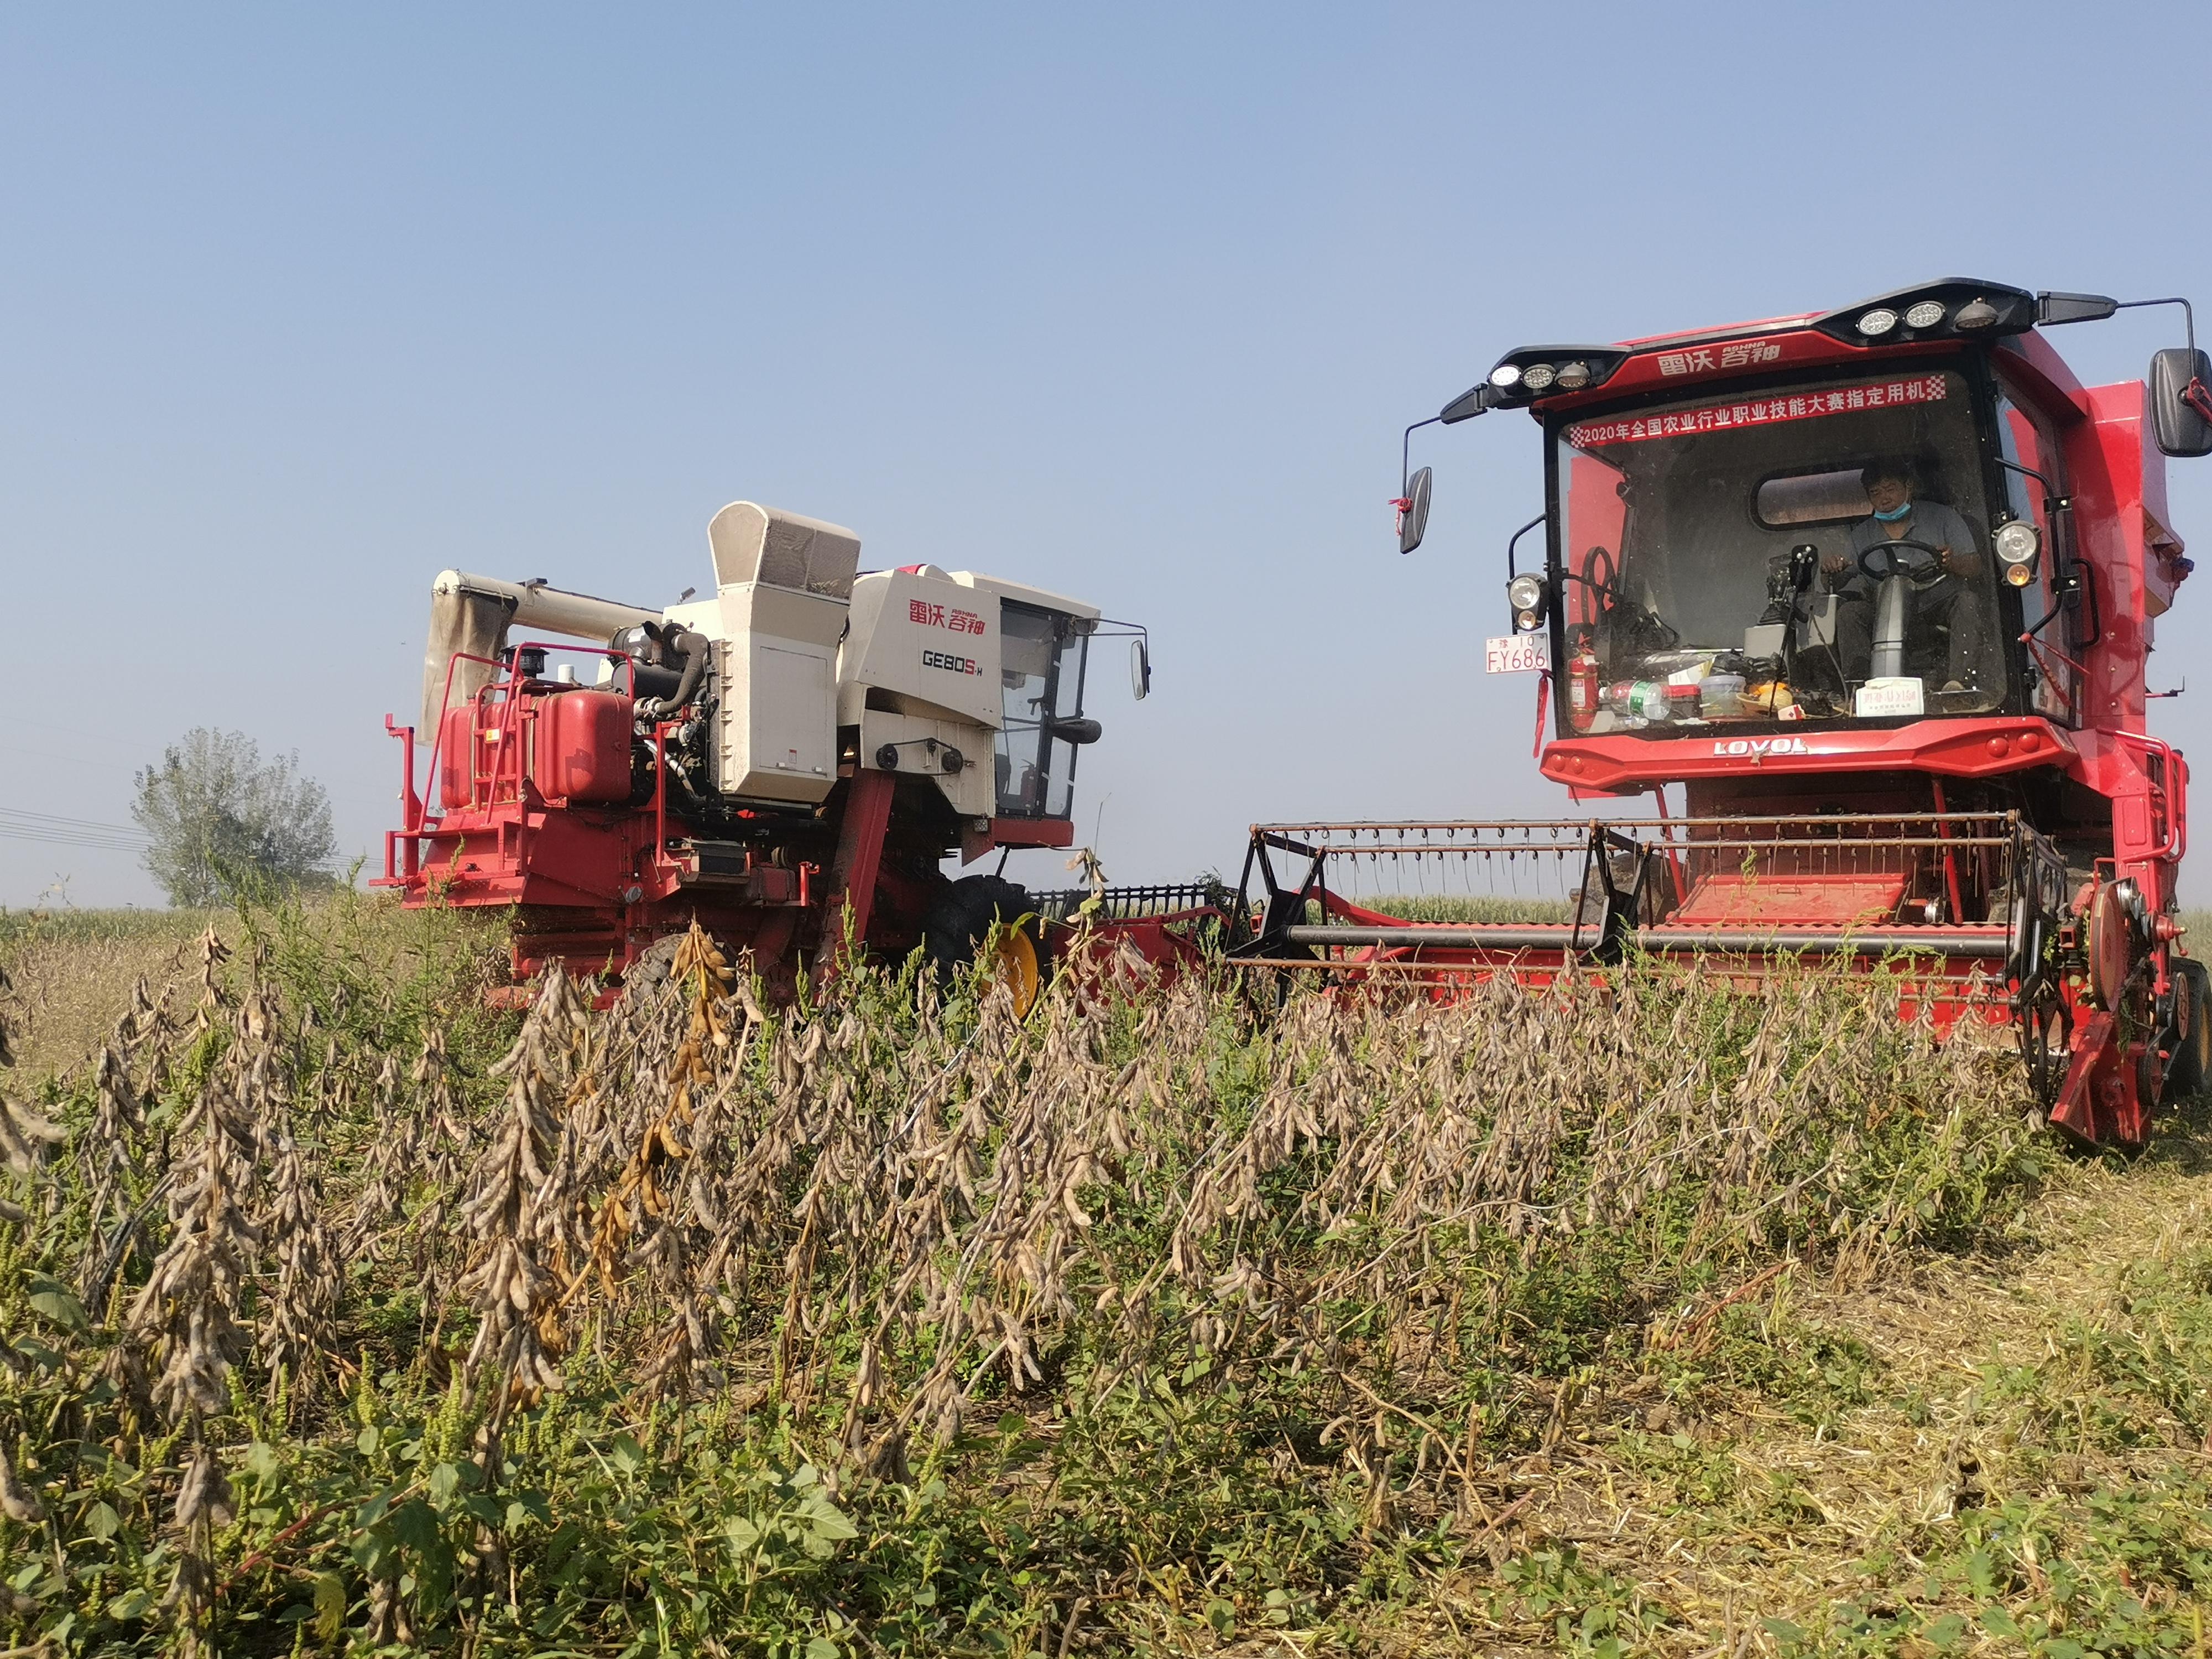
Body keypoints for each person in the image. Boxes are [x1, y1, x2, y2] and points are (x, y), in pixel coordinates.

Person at [1820, 461, 1996, 694]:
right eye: (1875, 493)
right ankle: (1859, 689)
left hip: (1935, 607)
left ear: (1909, 487)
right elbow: (1835, 582)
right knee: (1849, 613)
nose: (1884, 498)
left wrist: (1951, 562)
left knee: (1967, 601)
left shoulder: (1942, 517)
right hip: (1884, 612)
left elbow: (1974, 566)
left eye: (1891, 489)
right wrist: (1831, 569)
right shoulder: (1861, 535)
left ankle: (1959, 684)